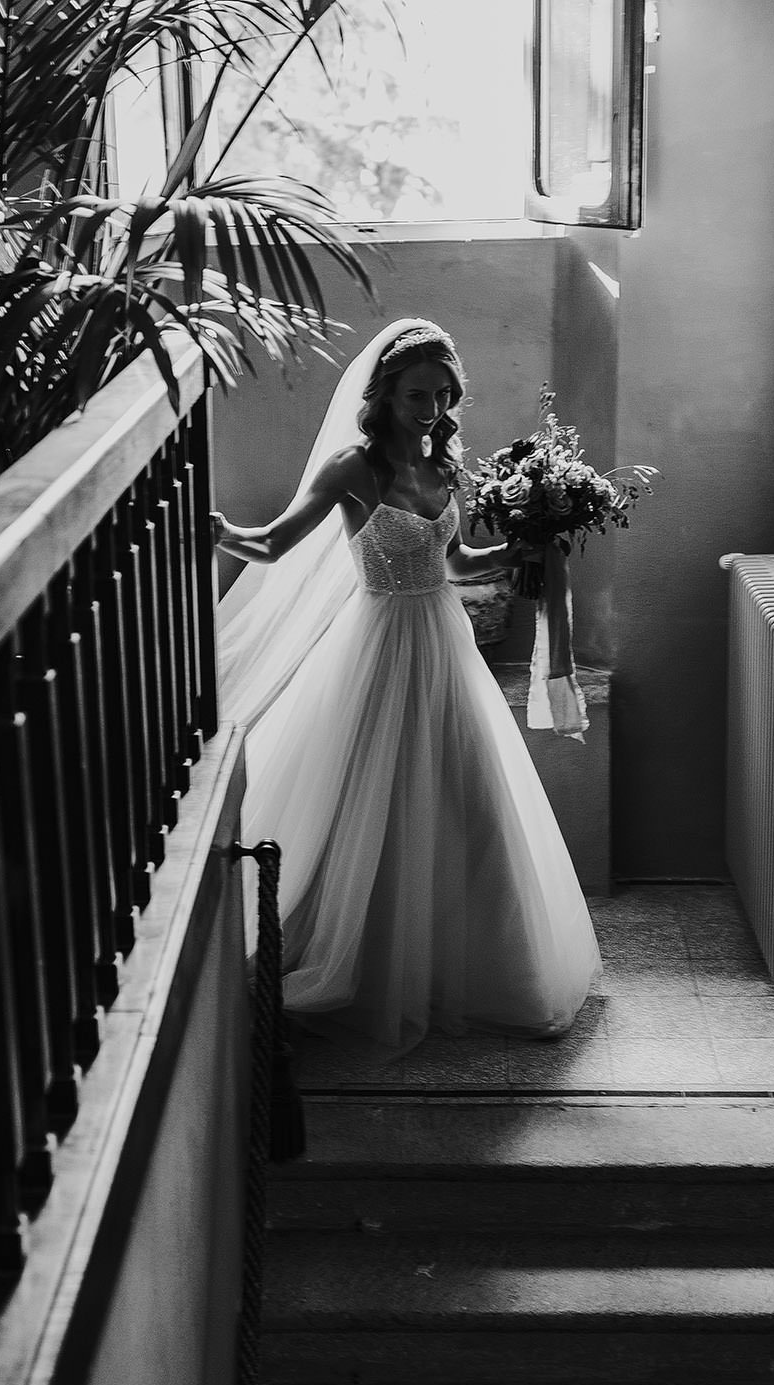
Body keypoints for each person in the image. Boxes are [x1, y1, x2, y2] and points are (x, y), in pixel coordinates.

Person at [211, 319, 601, 1054]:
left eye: (444, 394)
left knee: (467, 798)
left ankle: (485, 966)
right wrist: (216, 529)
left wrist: (519, 552)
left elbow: (454, 565)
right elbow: (270, 546)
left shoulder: (445, 463)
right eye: (417, 393)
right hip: (380, 645)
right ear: (385, 393)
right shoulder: (350, 469)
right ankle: (354, 962)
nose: (431, 408)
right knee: (370, 800)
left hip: (444, 642)